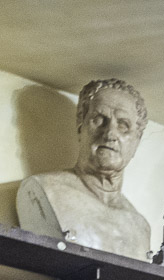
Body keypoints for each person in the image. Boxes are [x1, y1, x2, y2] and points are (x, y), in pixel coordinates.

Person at [17, 78, 151, 260]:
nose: (110, 133)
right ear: (81, 126)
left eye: (123, 125)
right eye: (99, 119)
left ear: (137, 141)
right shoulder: (43, 190)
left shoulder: (139, 226)